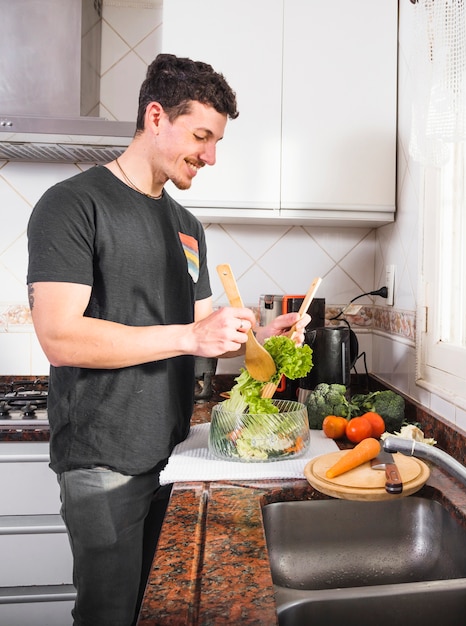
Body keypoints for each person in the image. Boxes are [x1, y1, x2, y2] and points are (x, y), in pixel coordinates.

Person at [26, 53, 309, 626]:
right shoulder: (73, 204)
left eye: (216, 140)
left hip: (174, 457)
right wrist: (190, 334)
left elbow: (205, 331)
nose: (210, 155)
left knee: (162, 613)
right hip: (105, 462)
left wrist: (256, 335)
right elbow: (60, 337)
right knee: (110, 616)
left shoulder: (186, 225)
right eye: (202, 135)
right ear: (156, 117)